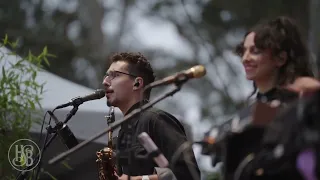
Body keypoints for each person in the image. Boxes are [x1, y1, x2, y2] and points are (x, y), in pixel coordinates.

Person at [219, 16, 317, 180]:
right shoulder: (249, 111)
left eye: (255, 51)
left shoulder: (302, 99)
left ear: (281, 58)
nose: (245, 58)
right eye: (243, 51)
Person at [102, 52, 200, 180]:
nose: (105, 82)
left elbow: (189, 175)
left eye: (114, 75)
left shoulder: (156, 119)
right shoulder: (123, 133)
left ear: (137, 83)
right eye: (106, 75)